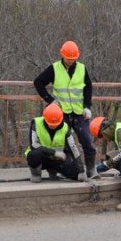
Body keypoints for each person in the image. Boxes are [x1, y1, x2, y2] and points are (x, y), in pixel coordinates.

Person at [33, 40, 99, 178]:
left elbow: (88, 87)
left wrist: (87, 106)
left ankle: (91, 170)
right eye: (68, 58)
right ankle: (60, 170)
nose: (70, 61)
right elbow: (38, 82)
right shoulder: (54, 68)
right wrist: (51, 101)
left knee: (87, 140)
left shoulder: (82, 68)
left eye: (73, 59)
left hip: (79, 112)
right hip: (61, 112)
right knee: (62, 143)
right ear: (62, 55)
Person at [25, 103, 87, 183]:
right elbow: (34, 145)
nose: (52, 126)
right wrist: (54, 153)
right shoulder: (36, 123)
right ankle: (36, 174)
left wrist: (81, 170)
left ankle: (53, 170)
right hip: (41, 159)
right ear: (45, 118)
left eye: (55, 124)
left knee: (76, 173)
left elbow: (73, 147)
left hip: (56, 160)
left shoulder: (65, 127)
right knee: (34, 155)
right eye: (50, 124)